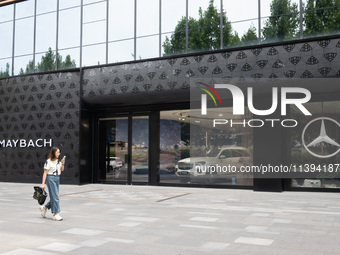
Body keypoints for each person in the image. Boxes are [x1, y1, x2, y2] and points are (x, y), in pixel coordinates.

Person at [39, 147, 66, 221]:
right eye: (57, 152)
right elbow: (45, 173)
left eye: (59, 152)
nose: (58, 154)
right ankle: (55, 214)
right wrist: (43, 184)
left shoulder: (58, 161)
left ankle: (44, 208)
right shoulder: (48, 161)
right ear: (53, 153)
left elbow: (61, 169)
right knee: (55, 197)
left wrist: (62, 164)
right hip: (50, 178)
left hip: (57, 178)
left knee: (55, 197)